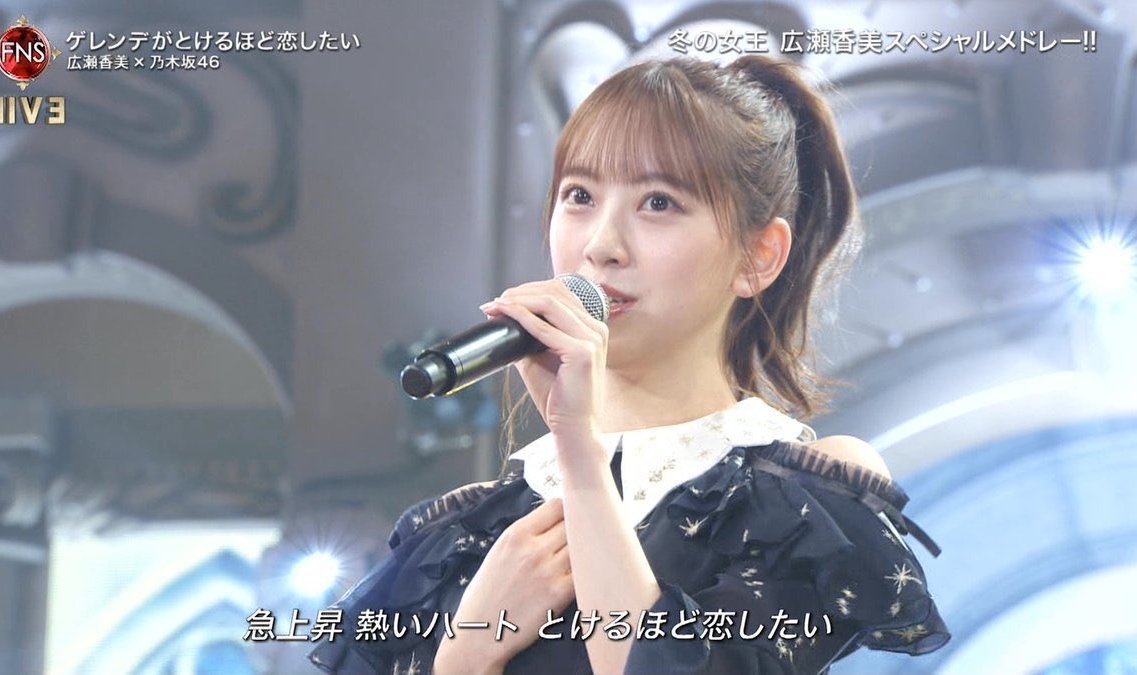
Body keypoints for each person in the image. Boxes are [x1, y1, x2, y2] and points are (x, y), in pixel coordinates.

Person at [309, 54, 950, 674]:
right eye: (579, 195)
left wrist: (581, 455)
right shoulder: (469, 530)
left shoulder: (802, 500)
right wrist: (468, 655)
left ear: (758, 256)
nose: (601, 245)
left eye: (658, 203)